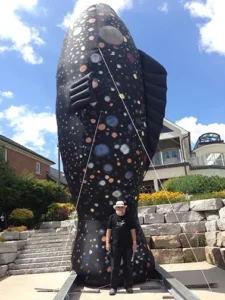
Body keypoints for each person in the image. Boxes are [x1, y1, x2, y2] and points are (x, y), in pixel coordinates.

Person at [106, 200, 137, 296]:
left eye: (122, 207)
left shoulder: (129, 217)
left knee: (128, 266)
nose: (120, 209)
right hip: (115, 246)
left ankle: (128, 286)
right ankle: (113, 287)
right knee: (115, 267)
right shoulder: (112, 217)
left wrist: (134, 243)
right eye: (118, 207)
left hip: (128, 246)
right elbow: (108, 231)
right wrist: (107, 242)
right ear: (116, 208)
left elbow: (133, 230)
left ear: (125, 207)